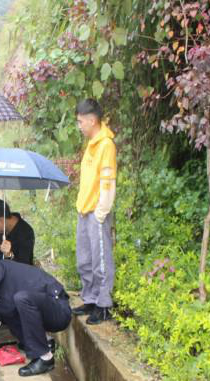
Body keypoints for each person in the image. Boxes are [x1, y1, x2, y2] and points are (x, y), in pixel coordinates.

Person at [73, 99, 117, 324]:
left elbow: (108, 182)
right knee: (85, 259)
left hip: (97, 213)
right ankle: (90, 298)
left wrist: (101, 212)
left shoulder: (106, 144)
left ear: (92, 120)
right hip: (84, 210)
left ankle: (104, 304)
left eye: (81, 121)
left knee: (101, 261)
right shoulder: (91, 143)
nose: (79, 125)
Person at [0, 197, 36, 265]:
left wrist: (9, 255)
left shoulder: (25, 233)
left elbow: (23, 266)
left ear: (1, 221)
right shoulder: (3, 228)